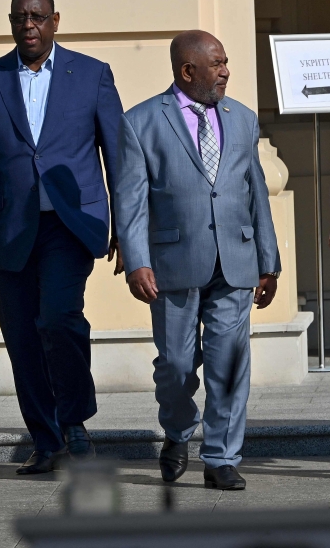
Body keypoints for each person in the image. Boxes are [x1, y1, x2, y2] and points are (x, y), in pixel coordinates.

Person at [0, 0, 123, 475]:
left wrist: (126, 229)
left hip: (71, 224)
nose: (29, 25)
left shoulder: (92, 75)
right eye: (20, 17)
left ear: (55, 21)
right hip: (9, 229)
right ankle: (47, 441)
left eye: (38, 17)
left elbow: (119, 157)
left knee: (59, 319)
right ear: (11, 23)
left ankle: (75, 421)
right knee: (22, 337)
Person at [114, 30, 280, 490]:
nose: (226, 71)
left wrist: (268, 261)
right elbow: (130, 201)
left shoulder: (242, 118)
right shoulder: (141, 121)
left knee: (229, 363)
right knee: (176, 365)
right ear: (188, 71)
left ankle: (221, 457)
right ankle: (177, 430)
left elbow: (256, 193)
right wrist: (137, 261)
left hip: (236, 261)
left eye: (226, 62)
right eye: (217, 63)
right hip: (172, 265)